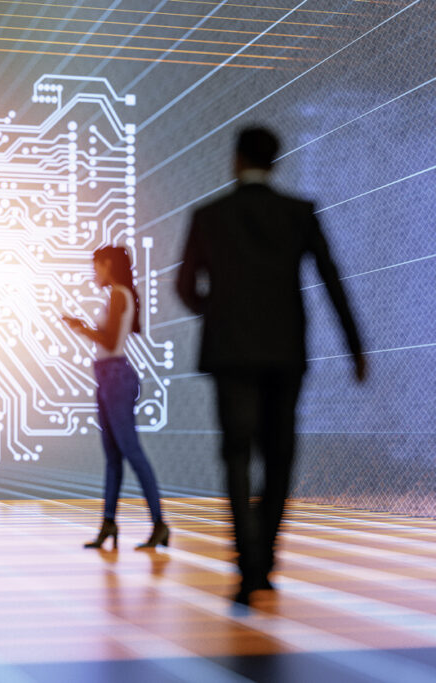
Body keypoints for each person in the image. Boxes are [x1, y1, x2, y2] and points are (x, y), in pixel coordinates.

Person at [177, 126, 366, 605]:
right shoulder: (298, 213)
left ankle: (247, 563)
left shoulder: (209, 216)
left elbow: (183, 286)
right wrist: (355, 348)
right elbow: (332, 280)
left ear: (237, 159)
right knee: (280, 455)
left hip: (230, 352)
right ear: (276, 161)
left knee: (237, 455)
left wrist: (215, 312)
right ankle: (266, 562)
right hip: (284, 352)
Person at [63, 247, 169, 551]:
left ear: (108, 264)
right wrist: (83, 326)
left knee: (131, 452)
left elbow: (110, 340)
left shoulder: (118, 294)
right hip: (107, 376)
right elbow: (111, 334)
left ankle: (159, 524)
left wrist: (81, 328)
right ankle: (108, 523)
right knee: (113, 456)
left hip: (115, 376)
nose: (93, 272)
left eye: (95, 266)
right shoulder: (120, 294)